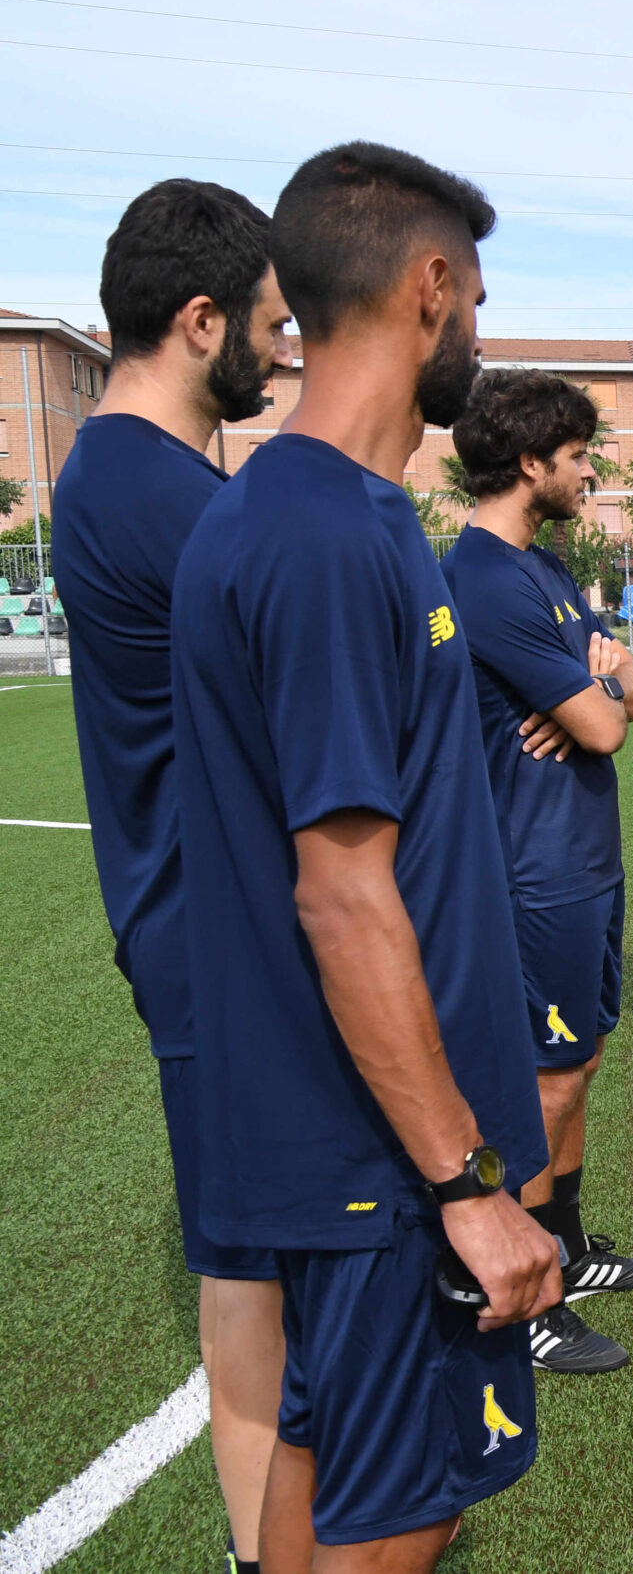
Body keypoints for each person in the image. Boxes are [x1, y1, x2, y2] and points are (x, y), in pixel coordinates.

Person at [170, 141, 557, 1571]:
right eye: (479, 298)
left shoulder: (304, 512)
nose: (480, 331)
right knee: (405, 1507)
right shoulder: (328, 532)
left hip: (348, 1148)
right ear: (431, 284)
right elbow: (342, 891)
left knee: (324, 1456)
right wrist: (464, 1181)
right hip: (385, 1163)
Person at [53, 177, 292, 1574]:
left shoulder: (159, 475)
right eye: (269, 322)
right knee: (250, 1262)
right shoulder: (150, 484)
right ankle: (265, 1550)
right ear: (202, 321)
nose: (284, 349)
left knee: (283, 1243)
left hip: (216, 918)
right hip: (216, 932)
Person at [442, 370, 633, 1376]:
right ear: (530, 463)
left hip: (583, 856)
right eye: (578, 456)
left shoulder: (543, 570)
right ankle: (522, 1290)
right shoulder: (487, 579)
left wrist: (602, 679)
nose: (589, 471)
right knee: (544, 1078)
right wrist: (599, 683)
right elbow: (605, 721)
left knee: (582, 1060)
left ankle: (569, 1251)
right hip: (534, 871)